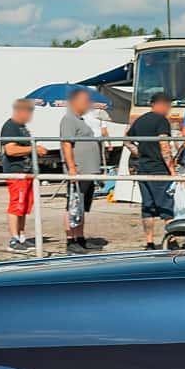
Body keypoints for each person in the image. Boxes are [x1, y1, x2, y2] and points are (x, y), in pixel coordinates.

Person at [124, 93, 178, 250]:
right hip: (159, 169)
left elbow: (126, 140)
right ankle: (172, 239)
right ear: (161, 104)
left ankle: (149, 242)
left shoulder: (140, 120)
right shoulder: (161, 121)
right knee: (166, 206)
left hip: (143, 169)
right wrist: (172, 170)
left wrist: (139, 153)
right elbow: (164, 145)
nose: (169, 108)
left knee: (147, 207)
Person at [58, 86, 102, 253]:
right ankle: (71, 240)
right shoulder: (69, 120)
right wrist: (72, 169)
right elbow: (66, 144)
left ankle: (80, 238)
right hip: (79, 170)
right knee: (73, 205)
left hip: (88, 171)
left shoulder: (81, 120)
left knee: (82, 206)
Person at [0, 98, 38, 252]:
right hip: (16, 172)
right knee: (17, 205)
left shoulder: (21, 127)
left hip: (26, 171)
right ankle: (14, 240)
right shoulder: (10, 127)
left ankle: (21, 236)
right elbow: (11, 150)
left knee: (24, 206)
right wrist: (33, 149)